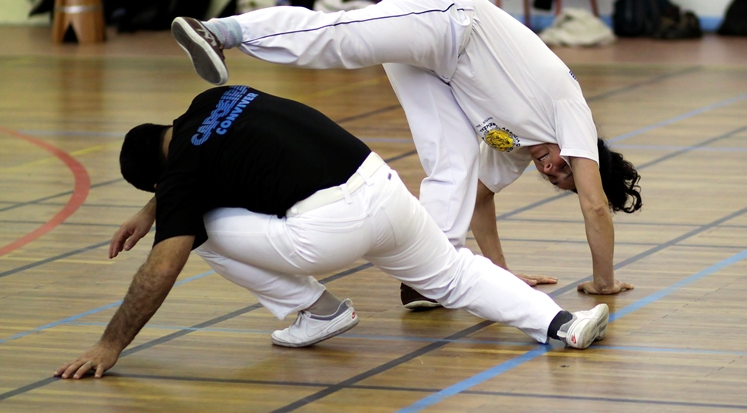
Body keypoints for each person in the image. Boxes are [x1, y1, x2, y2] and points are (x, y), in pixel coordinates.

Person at [55, 85, 609, 380]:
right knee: (455, 274)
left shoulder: (182, 179)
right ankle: (561, 323)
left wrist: (110, 343)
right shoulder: (215, 98)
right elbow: (199, 154)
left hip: (329, 226)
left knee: (193, 233)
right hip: (384, 189)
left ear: (157, 178)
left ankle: (318, 311)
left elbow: (162, 265)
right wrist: (155, 207)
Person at [170, 0, 641, 309]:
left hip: (439, 69)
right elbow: (595, 206)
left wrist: (498, 272)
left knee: (455, 165)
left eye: (553, 180)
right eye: (564, 167)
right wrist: (603, 282)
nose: (549, 170)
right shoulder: (571, 108)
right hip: (449, 18)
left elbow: (479, 199)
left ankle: (429, 275)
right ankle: (223, 30)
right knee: (347, 40)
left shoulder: (519, 149)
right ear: (585, 154)